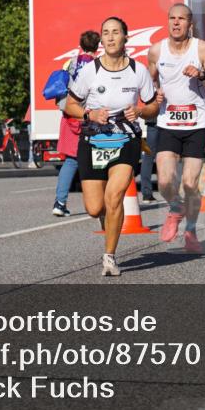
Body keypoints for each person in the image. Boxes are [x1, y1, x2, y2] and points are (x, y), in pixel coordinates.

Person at [64, 17, 159, 276]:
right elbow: (70, 105)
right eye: (105, 33)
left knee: (115, 196)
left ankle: (109, 257)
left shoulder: (138, 71)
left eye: (116, 32)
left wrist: (139, 110)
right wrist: (90, 115)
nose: (110, 37)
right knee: (95, 208)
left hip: (126, 139)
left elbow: (153, 107)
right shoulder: (89, 71)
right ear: (101, 39)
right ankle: (111, 223)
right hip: (93, 140)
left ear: (125, 37)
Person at [148, 3, 205, 253]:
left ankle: (191, 230)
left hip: (197, 125)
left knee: (190, 183)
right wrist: (152, 97)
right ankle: (176, 208)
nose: (176, 23)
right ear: (168, 21)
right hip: (168, 123)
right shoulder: (156, 50)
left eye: (181, 19)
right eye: (172, 18)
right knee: (165, 182)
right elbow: (147, 85)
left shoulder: (201, 48)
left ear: (190, 23)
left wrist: (202, 74)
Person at [53, 30, 99, 217]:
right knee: (96, 160)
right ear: (97, 47)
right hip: (88, 116)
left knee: (71, 161)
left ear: (81, 45)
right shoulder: (97, 66)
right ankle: (96, 202)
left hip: (70, 115)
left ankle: (60, 202)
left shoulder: (70, 63)